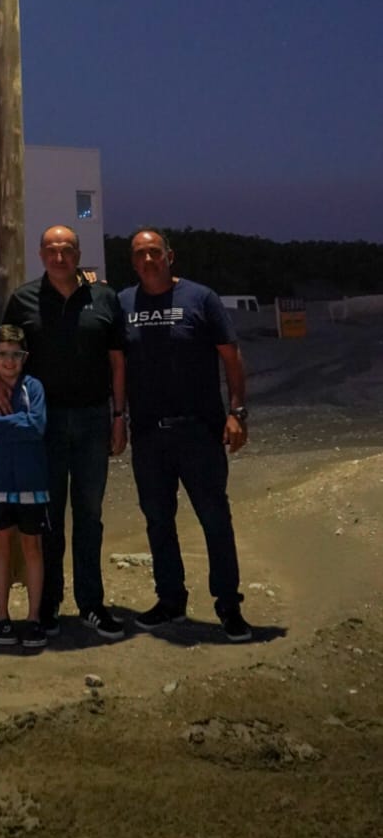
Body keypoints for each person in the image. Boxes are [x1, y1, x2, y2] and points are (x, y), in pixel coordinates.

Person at [119, 229, 251, 643]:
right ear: (133, 261)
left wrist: (237, 413)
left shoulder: (201, 298)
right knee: (159, 523)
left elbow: (231, 356)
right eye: (140, 254)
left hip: (199, 431)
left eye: (154, 252)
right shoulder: (124, 304)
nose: (147, 260)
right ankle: (170, 601)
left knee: (215, 519)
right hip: (148, 436)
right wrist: (117, 416)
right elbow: (117, 364)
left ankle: (228, 606)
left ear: (169, 256)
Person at [0, 225, 127, 641]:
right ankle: (48, 605)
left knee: (89, 515)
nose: (59, 257)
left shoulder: (104, 298)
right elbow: (4, 357)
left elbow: (117, 363)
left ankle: (91, 604)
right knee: (48, 520)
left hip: (93, 420)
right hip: (43, 425)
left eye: (66, 249)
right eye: (51, 250)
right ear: (40, 254)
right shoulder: (23, 300)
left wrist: (119, 415)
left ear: (78, 253)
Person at [0, 324, 49, 650]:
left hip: (34, 481)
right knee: (2, 546)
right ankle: (2, 616)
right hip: (1, 482)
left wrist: (1, 427)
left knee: (32, 548)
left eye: (15, 355)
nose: (9, 361)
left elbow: (37, 426)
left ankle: (33, 618)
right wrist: (10, 425)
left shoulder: (33, 387)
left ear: (24, 357)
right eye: (2, 355)